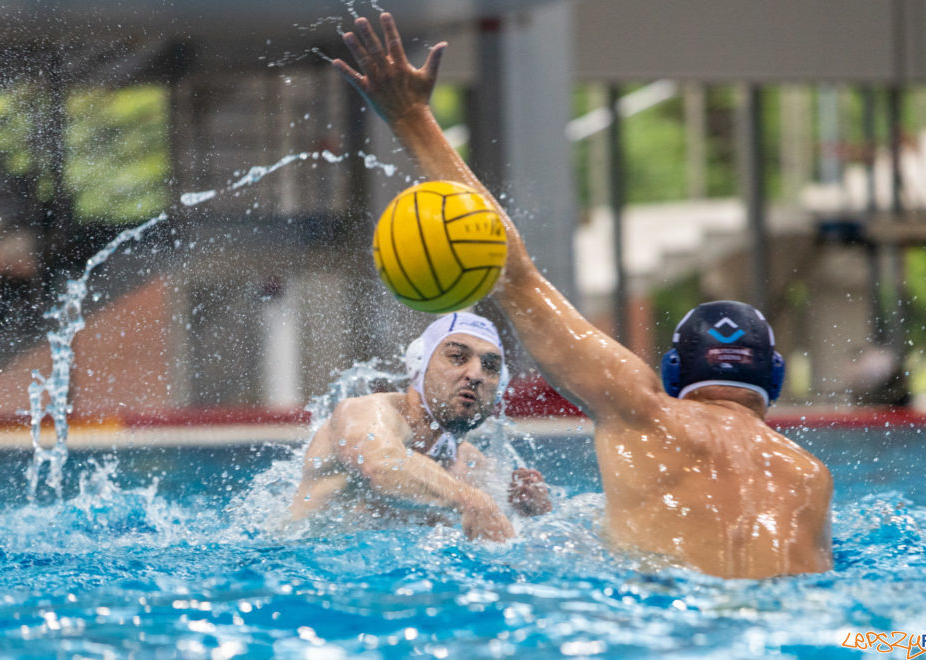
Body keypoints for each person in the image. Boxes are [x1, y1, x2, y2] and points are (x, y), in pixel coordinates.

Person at [330, 13, 833, 578]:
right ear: (776, 378)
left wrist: (411, 117)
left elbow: (511, 271)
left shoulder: (641, 409)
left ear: (671, 373)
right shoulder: (811, 476)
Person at [290, 312, 552, 541]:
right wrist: (473, 500)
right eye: (457, 357)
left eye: (491, 366)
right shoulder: (364, 413)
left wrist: (530, 514)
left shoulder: (471, 466)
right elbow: (381, 464)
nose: (476, 374)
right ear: (419, 364)